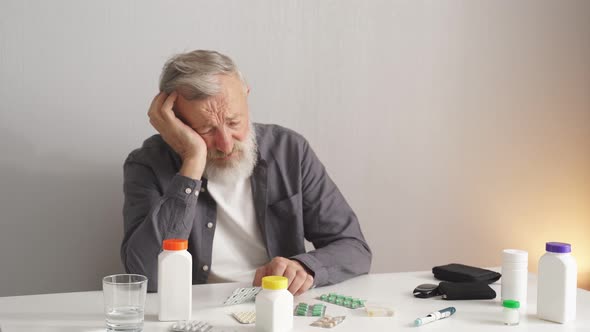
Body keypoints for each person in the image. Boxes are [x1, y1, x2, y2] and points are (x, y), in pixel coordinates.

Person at [122, 50, 371, 295]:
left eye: (234, 122)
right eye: (206, 130)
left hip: (278, 302)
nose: (226, 144)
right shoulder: (147, 165)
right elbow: (147, 276)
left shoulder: (290, 150)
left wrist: (304, 267)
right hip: (196, 310)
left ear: (246, 96)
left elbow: (354, 248)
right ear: (175, 122)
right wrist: (193, 162)